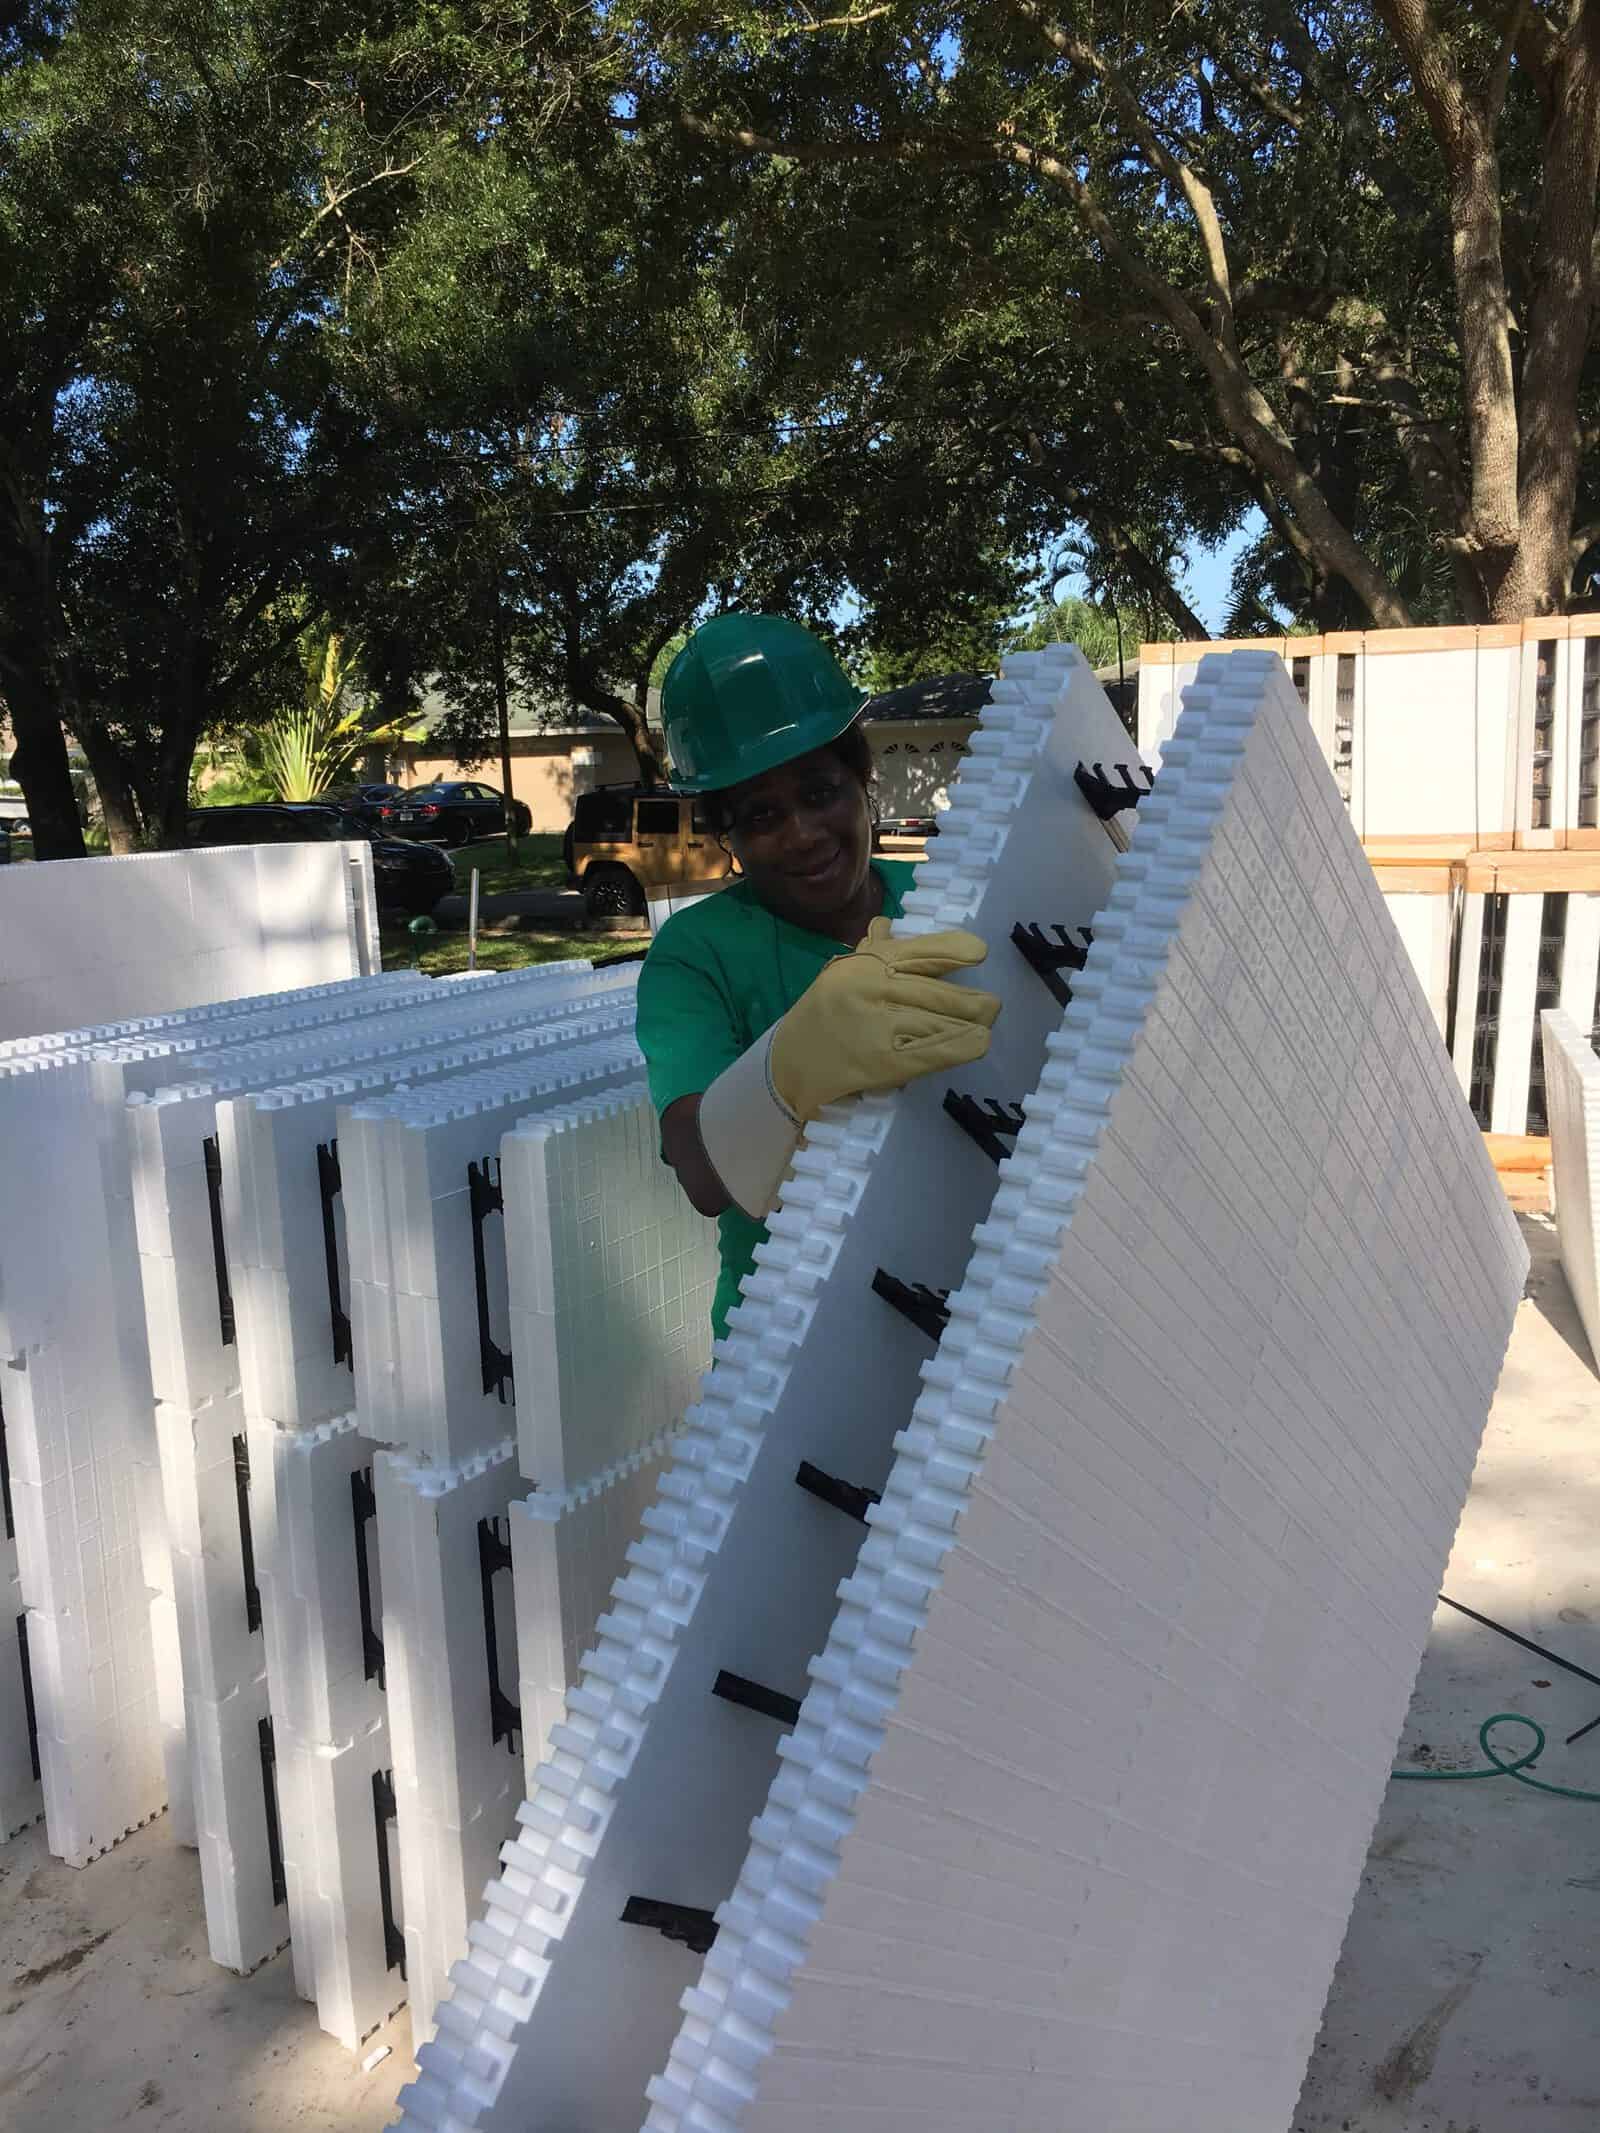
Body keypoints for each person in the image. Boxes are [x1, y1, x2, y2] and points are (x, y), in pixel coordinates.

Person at [635, 612, 1001, 1342]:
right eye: (763, 814)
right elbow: (703, 1177)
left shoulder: (944, 905)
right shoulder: (695, 954)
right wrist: (789, 1067)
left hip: (969, 1298)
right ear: (727, 836)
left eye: (820, 791)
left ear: (862, 781)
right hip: (787, 1333)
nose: (802, 832)